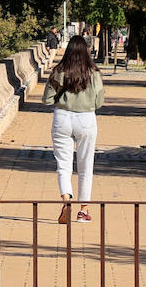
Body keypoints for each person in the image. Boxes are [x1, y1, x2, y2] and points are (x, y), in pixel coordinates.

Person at [42, 35, 105, 224]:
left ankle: (66, 201)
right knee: (86, 166)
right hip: (86, 119)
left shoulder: (59, 71)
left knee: (63, 165)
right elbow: (99, 102)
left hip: (62, 117)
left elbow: (46, 99)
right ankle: (83, 210)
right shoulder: (94, 73)